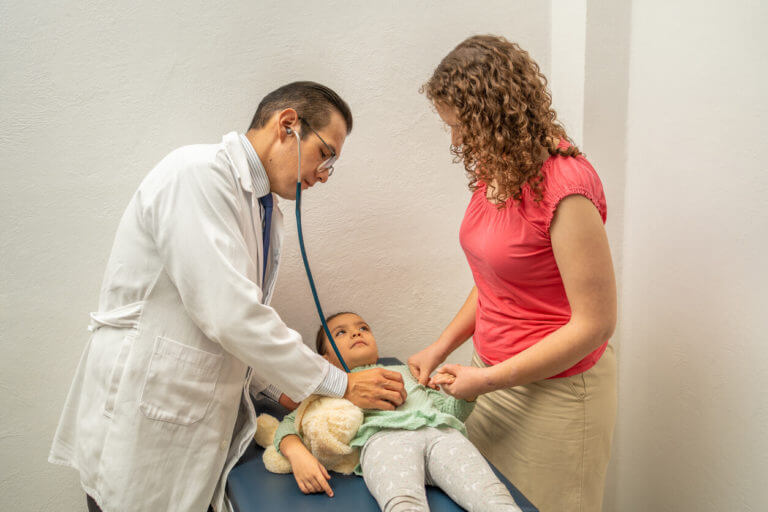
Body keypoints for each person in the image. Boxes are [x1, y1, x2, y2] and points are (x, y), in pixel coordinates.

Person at [48, 82, 407, 512]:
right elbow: (229, 315)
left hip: (189, 420)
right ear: (288, 125)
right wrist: (340, 382)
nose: (325, 173)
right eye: (325, 154)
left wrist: (279, 391)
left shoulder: (263, 209)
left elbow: (234, 331)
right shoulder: (197, 175)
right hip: (144, 418)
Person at [408, 35, 618, 512]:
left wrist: (486, 381)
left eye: (462, 127)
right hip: (494, 380)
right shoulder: (498, 169)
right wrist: (441, 346)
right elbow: (495, 280)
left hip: (558, 396)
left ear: (495, 115)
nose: (458, 141)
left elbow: (596, 324)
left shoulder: (567, 190)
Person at [274, 312, 522, 512]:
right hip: (385, 441)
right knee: (403, 504)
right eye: (341, 332)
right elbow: (289, 424)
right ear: (326, 360)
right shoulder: (331, 390)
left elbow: (450, 411)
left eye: (363, 328)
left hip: (442, 434)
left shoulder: (407, 371)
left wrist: (467, 393)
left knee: (492, 496)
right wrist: (297, 455)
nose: (356, 332)